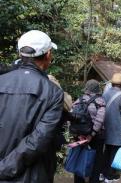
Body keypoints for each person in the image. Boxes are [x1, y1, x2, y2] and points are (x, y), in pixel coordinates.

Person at [0, 30, 64, 182]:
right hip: (32, 175)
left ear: (21, 53)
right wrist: (5, 168)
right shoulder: (53, 92)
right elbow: (38, 140)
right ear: (48, 55)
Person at [72, 79, 106, 183]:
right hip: (96, 136)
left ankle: (79, 181)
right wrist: (91, 134)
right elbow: (100, 119)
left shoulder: (79, 100)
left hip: (79, 136)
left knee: (79, 158)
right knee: (96, 160)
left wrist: (79, 135)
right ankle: (93, 180)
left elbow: (71, 116)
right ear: (97, 90)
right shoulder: (100, 101)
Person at [102, 73, 121, 182]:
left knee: (106, 151)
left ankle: (103, 173)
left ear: (112, 83)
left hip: (105, 128)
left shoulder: (105, 94)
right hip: (117, 130)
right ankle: (110, 175)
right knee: (114, 153)